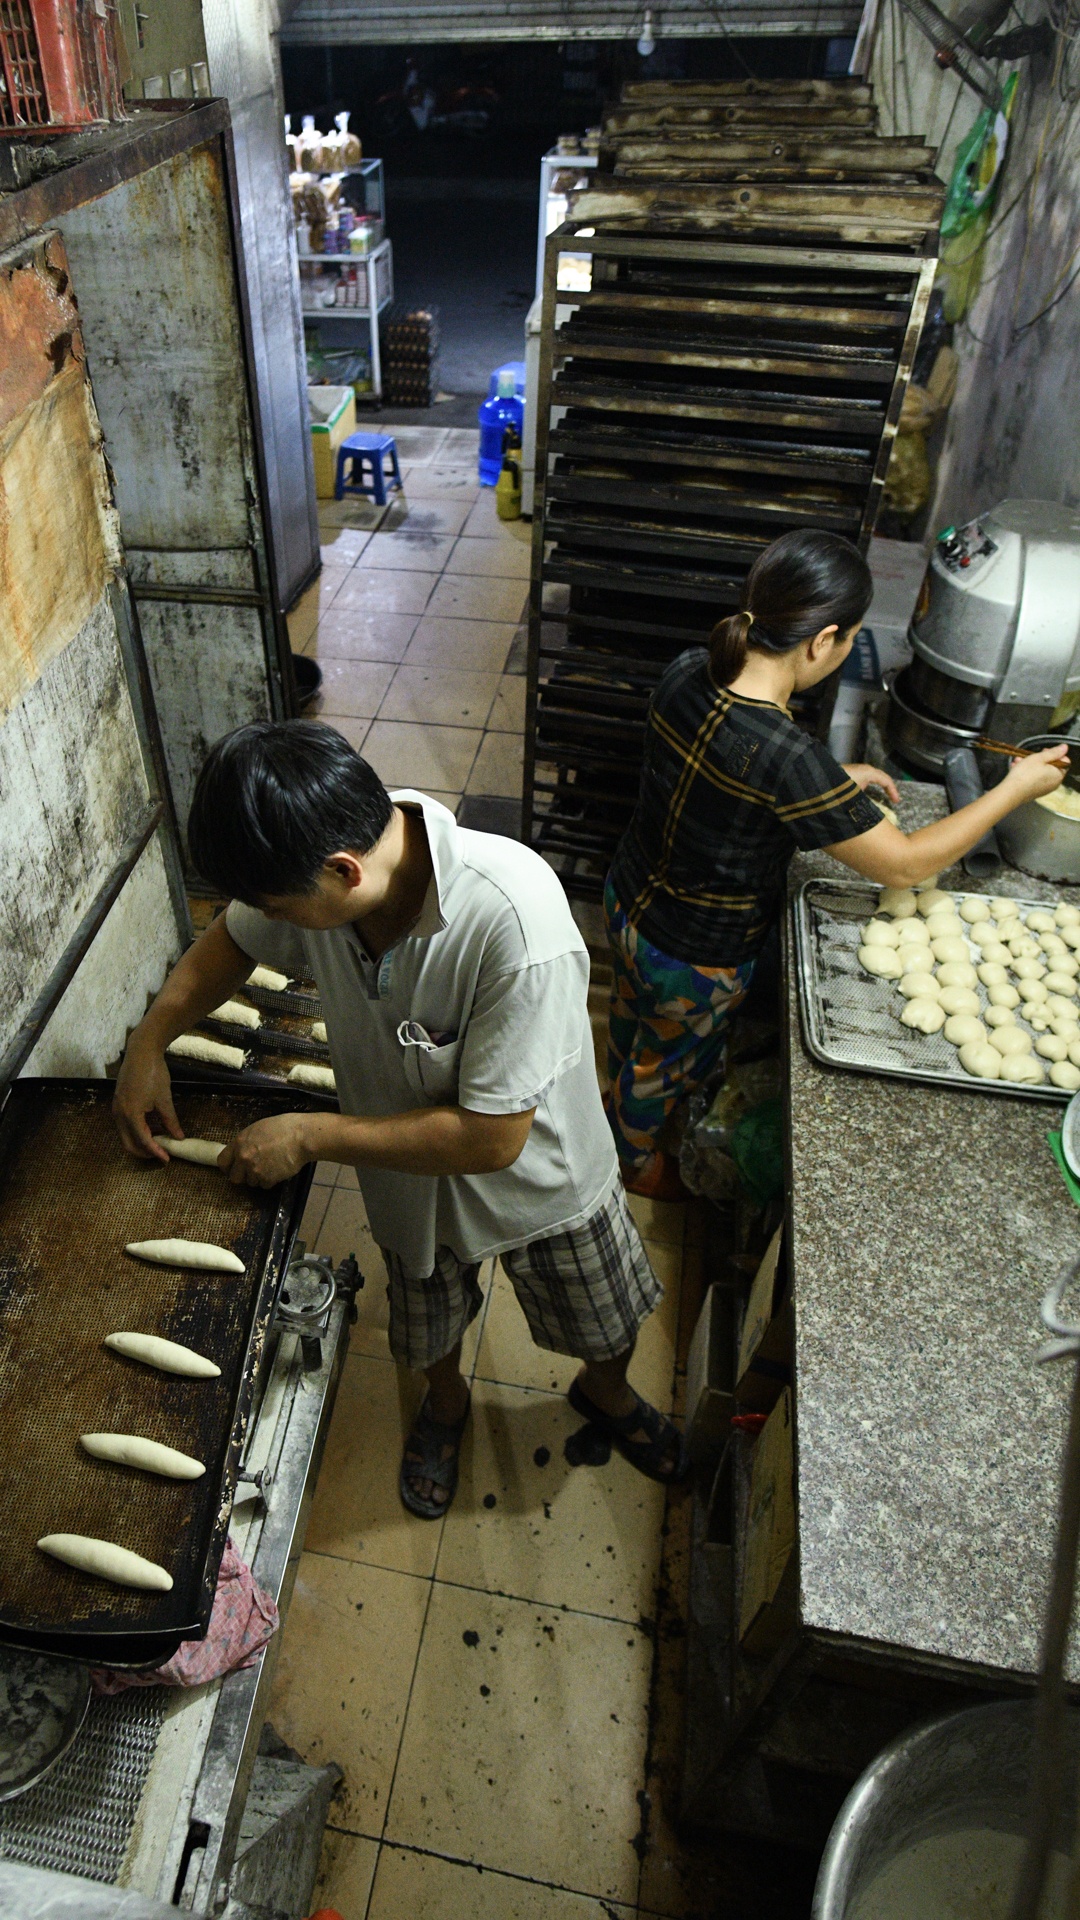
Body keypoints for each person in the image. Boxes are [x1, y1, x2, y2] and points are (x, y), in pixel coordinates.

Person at [113, 721, 685, 1517]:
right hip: (408, 1182)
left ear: (343, 872)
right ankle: (445, 1408)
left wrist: (309, 1134)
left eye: (279, 906)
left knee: (602, 1314)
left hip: (540, 1180)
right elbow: (229, 945)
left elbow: (492, 1137)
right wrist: (149, 1041)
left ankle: (607, 1391)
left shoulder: (512, 922)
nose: (272, 920)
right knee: (428, 1323)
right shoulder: (330, 866)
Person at [604, 528, 1069, 1199]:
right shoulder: (786, 754)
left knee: (633, 1019)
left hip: (629, 902)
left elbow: (721, 775)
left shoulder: (690, 669)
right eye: (850, 639)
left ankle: (615, 1092)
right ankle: (632, 1159)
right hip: (694, 956)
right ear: (823, 640)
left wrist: (834, 781)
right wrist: (1014, 788)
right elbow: (903, 866)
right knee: (664, 1064)